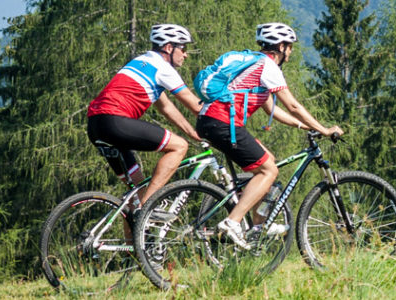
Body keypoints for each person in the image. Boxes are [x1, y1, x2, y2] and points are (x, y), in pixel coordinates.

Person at [197, 22, 342, 249]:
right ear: (281, 47)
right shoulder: (268, 67)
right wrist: (324, 129)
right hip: (223, 122)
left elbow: (272, 109)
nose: (291, 52)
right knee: (268, 170)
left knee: (268, 161)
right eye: (290, 47)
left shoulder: (255, 67)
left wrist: (304, 127)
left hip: (211, 121)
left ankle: (257, 226)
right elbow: (293, 105)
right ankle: (232, 222)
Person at [85, 24, 206, 212]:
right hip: (115, 120)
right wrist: (228, 116)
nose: (186, 54)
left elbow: (166, 107)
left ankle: (133, 234)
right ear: (168, 47)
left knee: (135, 195)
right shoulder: (163, 68)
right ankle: (147, 209)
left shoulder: (141, 62)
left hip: (96, 125)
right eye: (183, 48)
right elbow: (195, 106)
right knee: (179, 147)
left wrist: (193, 133)